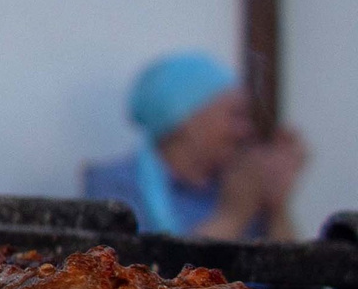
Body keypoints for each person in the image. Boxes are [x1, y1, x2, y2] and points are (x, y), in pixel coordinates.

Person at [81, 52, 305, 240]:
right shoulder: (115, 188)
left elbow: (292, 276)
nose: (245, 130)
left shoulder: (233, 183)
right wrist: (234, 215)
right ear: (185, 120)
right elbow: (150, 275)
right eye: (235, 115)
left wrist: (276, 205)